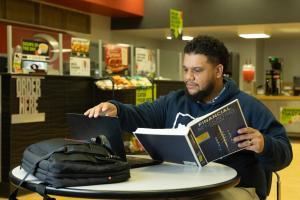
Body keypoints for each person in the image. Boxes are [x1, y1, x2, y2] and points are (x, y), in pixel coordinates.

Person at [84, 35, 293, 200]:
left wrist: (264, 144)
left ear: (219, 70)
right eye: (185, 69)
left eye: (197, 70)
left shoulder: (249, 107)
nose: (188, 77)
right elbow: (141, 115)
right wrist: (116, 109)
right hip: (178, 186)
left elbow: (285, 153)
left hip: (237, 189)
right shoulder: (174, 101)